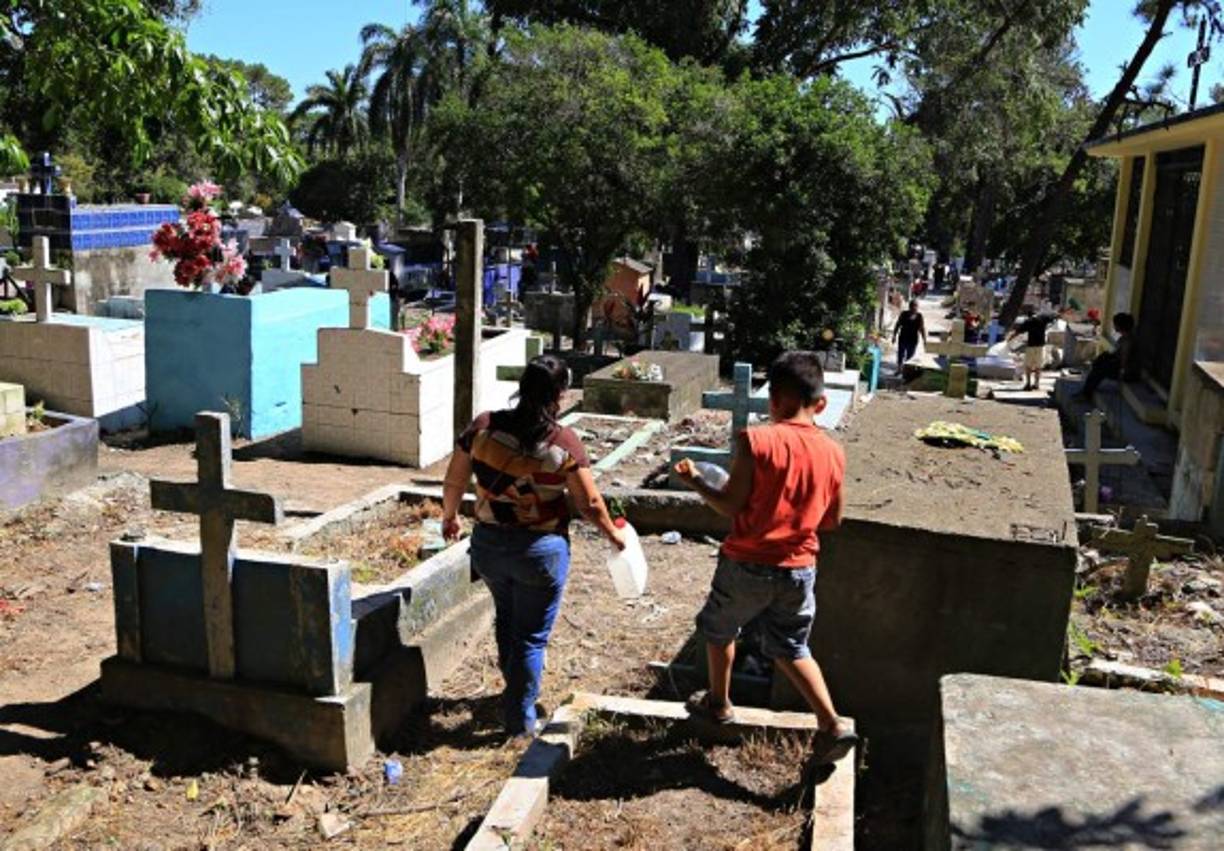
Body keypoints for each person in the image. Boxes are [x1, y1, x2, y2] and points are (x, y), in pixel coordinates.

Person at [675, 352, 857, 764]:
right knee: (792, 646)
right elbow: (833, 519)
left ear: (772, 399)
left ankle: (719, 704)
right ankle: (832, 723)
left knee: (720, 629)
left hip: (747, 562)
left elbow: (730, 505)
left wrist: (696, 481)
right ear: (821, 403)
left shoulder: (756, 441)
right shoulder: (834, 452)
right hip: (799, 566)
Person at [442, 355, 626, 737]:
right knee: (531, 637)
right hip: (540, 550)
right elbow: (590, 503)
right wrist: (614, 535)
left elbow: (455, 479)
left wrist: (450, 516)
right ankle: (520, 720)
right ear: (559, 395)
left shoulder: (483, 428)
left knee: (507, 618)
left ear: (522, 387)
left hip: (489, 546)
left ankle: (513, 689)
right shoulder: (562, 443)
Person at [1075, 312, 1139, 401]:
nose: (1114, 326)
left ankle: (1086, 394)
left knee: (1100, 370)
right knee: (1100, 362)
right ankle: (1085, 391)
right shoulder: (1123, 338)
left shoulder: (1128, 341)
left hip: (1127, 372)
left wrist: (1121, 370)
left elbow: (1125, 360)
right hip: (1119, 366)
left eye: (1115, 324)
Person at [1009, 305, 1055, 391]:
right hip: (1041, 346)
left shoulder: (1028, 321)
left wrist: (1008, 339)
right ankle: (1036, 384)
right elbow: (1055, 316)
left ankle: (1028, 383)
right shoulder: (1043, 318)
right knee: (1038, 366)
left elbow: (1017, 332)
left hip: (1031, 346)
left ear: (1029, 315)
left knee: (1028, 366)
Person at [892, 299, 927, 369]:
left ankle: (906, 371)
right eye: (913, 306)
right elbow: (897, 325)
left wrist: (924, 340)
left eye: (916, 306)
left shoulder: (919, 316)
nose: (914, 308)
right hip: (903, 338)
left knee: (910, 357)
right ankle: (899, 368)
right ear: (909, 307)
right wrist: (894, 336)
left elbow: (922, 328)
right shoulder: (904, 314)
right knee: (900, 355)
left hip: (913, 340)